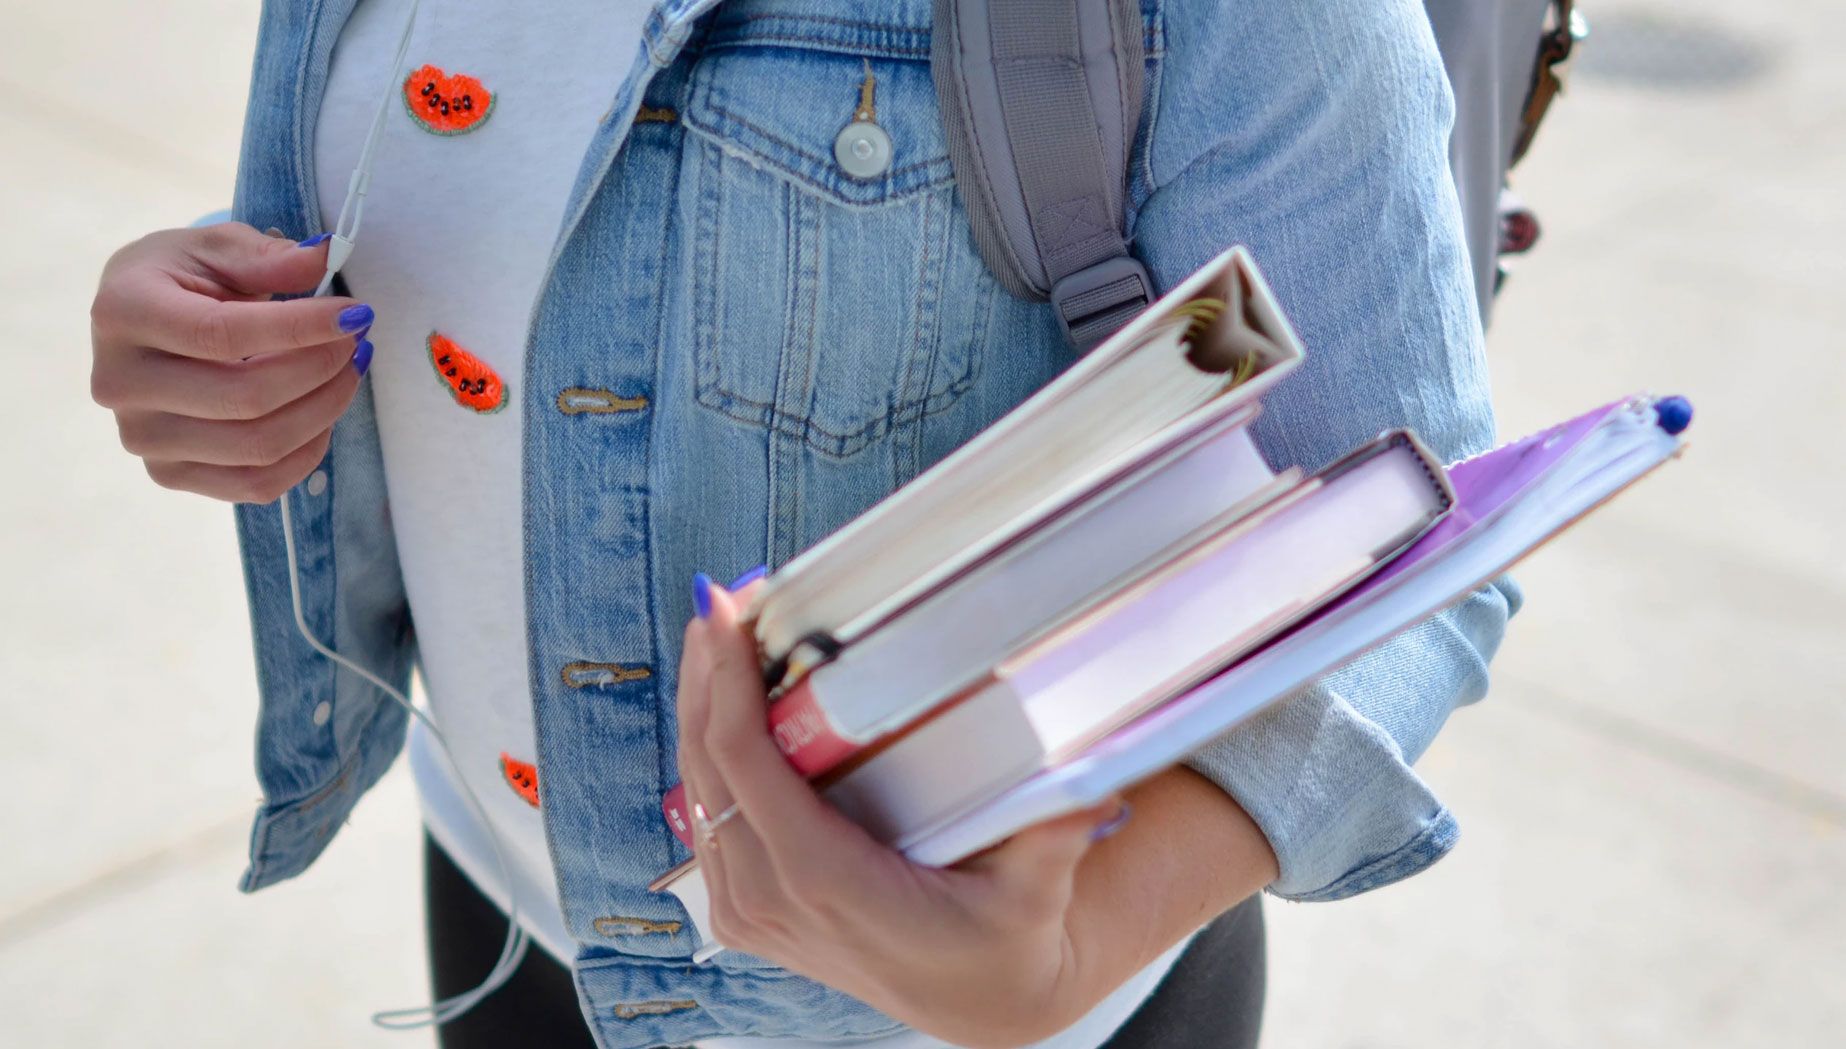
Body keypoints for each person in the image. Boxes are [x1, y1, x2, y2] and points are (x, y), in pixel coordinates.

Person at [87, 1, 1517, 1046]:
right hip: (503, 907)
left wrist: (1081, 939)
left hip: (946, 1023)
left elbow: (1407, 529)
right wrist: (220, 347)